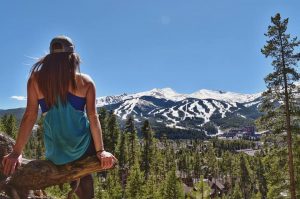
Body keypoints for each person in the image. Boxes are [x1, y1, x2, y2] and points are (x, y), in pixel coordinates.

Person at [2, 35, 117, 199]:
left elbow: (30, 115)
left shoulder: (35, 80)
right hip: (84, 148)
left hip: (56, 152)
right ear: (72, 58)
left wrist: (16, 153)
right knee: (84, 177)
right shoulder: (85, 82)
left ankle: (76, 181)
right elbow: (93, 117)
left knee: (73, 171)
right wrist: (101, 151)